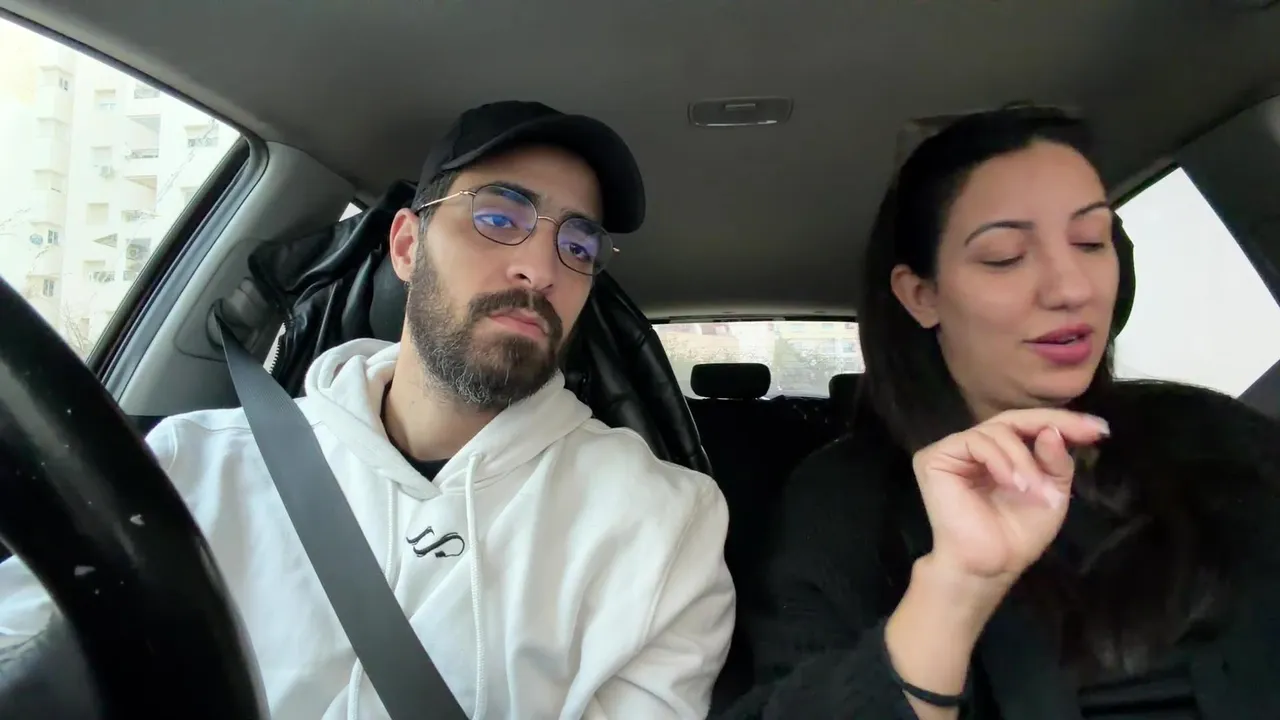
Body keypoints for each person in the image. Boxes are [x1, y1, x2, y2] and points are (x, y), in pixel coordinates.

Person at [0, 101, 735, 719]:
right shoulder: (190, 465)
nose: (541, 268)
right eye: (498, 216)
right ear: (407, 245)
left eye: (578, 244)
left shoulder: (664, 523)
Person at [722, 107, 1280, 719]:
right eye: (1004, 256)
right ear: (922, 296)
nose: (1072, 288)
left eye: (1091, 242)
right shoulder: (844, 502)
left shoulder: (1216, 439)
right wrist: (955, 589)